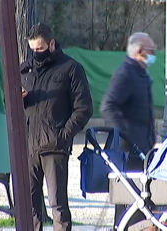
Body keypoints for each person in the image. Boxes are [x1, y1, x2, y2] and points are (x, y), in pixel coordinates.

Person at [20, 23, 93, 231]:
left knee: (58, 206)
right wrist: (18, 100)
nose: (36, 54)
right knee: (29, 205)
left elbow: (84, 108)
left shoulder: (70, 69)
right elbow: (13, 107)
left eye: (40, 49)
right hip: (28, 146)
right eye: (32, 49)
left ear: (51, 44)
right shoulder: (25, 69)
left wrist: (63, 135)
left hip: (55, 146)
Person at [100, 32, 157, 229]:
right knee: (129, 200)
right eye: (152, 51)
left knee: (142, 199)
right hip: (129, 150)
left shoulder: (141, 74)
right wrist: (126, 133)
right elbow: (108, 106)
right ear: (140, 52)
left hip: (143, 149)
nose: (154, 54)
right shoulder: (126, 73)